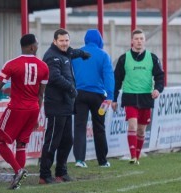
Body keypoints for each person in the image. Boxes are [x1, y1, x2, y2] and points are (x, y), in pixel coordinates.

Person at [0, 34, 49, 190]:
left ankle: (18, 170)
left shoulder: (12, 64)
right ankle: (17, 180)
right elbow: (41, 95)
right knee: (21, 143)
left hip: (17, 108)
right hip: (33, 109)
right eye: (37, 45)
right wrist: (37, 117)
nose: (38, 47)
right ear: (32, 47)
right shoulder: (44, 67)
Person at [39, 28, 90, 184]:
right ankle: (44, 175)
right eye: (61, 41)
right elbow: (54, 77)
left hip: (66, 106)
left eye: (67, 40)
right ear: (55, 41)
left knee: (67, 140)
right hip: (56, 105)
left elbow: (72, 52)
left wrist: (82, 54)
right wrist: (71, 88)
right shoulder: (51, 56)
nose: (65, 43)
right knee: (53, 140)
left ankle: (61, 172)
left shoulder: (65, 52)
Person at [112, 29, 164, 165]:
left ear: (144, 41)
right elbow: (116, 80)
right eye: (136, 39)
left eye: (141, 38)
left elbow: (160, 76)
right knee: (133, 125)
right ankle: (132, 156)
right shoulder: (124, 58)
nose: (139, 41)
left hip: (146, 97)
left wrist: (158, 90)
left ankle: (137, 156)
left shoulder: (152, 58)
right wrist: (114, 99)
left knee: (141, 130)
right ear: (132, 41)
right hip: (129, 96)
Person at [72, 29, 114, 168]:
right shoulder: (103, 55)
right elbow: (108, 77)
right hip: (98, 96)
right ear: (99, 40)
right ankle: (102, 161)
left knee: (79, 127)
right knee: (99, 127)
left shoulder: (76, 54)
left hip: (79, 94)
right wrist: (110, 96)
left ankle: (79, 160)